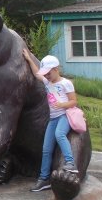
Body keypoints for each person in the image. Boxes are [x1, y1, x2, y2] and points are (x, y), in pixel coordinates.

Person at [23, 51, 78, 192]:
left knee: (60, 134)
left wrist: (61, 105)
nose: (47, 76)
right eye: (45, 74)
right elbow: (37, 74)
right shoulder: (47, 83)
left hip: (64, 115)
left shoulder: (66, 83)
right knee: (46, 149)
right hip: (53, 119)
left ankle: (70, 163)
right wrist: (29, 59)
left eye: (49, 73)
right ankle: (44, 179)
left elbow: (73, 101)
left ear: (56, 69)